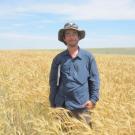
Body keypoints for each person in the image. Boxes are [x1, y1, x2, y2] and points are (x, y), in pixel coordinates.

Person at [49, 22, 100, 127]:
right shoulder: (58, 59)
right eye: (68, 34)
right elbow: (53, 82)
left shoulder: (88, 57)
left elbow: (94, 79)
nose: (71, 37)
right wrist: (53, 102)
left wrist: (93, 100)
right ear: (64, 38)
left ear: (78, 37)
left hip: (83, 106)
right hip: (63, 106)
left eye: (74, 34)